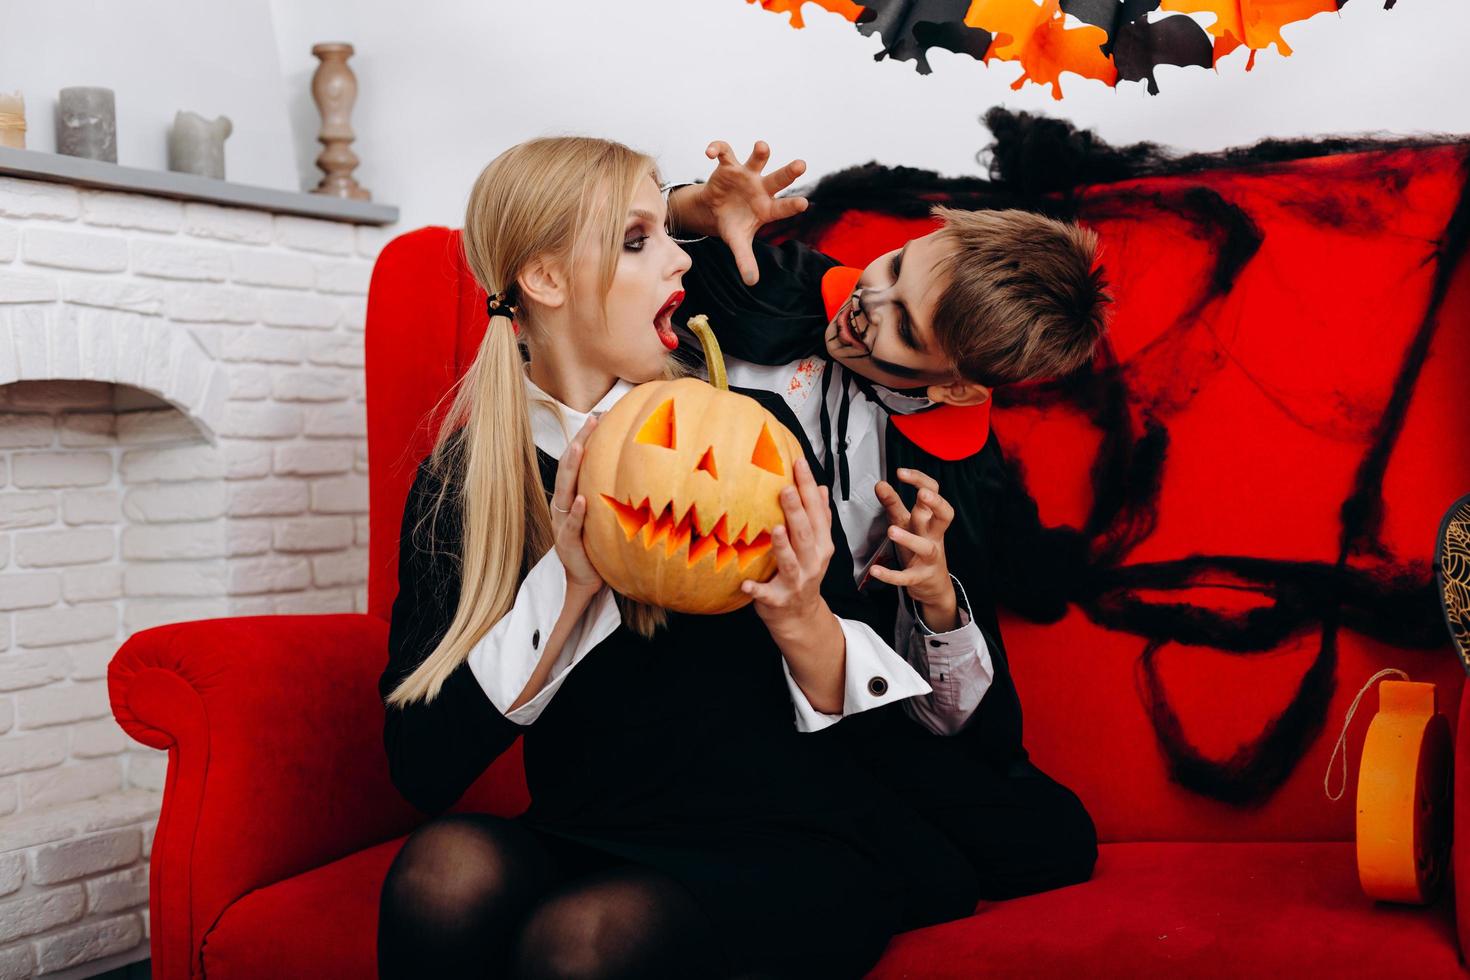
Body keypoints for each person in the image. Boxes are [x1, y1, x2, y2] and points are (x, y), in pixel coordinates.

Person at [375, 136, 980, 980]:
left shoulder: (748, 430)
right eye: (639, 239)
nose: (677, 261)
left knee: (582, 941)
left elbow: (878, 737)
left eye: (669, 230)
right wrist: (570, 583)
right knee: (443, 871)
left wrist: (804, 612)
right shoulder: (465, 479)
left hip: (789, 841)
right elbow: (421, 767)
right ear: (545, 282)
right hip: (594, 828)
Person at [664, 140, 1107, 900]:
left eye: (906, 329)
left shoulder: (957, 468)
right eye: (895, 267)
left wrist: (936, 599)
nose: (866, 306)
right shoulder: (773, 283)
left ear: (960, 390)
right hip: (703, 653)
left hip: (838, 690)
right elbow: (594, 247)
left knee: (1052, 836)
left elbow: (946, 711)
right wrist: (688, 210)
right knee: (915, 868)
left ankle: (810, 857)